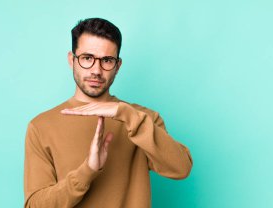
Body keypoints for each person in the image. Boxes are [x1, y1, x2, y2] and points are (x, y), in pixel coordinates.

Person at [24, 17, 193, 208]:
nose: (96, 70)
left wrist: (127, 115)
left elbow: (181, 168)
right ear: (72, 60)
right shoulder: (41, 126)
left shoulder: (142, 118)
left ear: (118, 65)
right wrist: (87, 171)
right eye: (87, 58)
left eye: (107, 60)